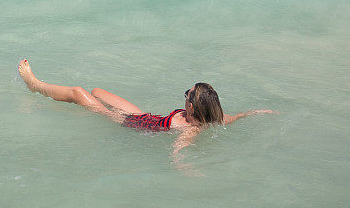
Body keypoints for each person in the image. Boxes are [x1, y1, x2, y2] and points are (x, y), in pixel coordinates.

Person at [17, 59, 274, 166]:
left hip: (126, 122)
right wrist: (256, 112)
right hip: (143, 115)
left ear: (192, 107)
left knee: (78, 93)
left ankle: (34, 84)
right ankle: (75, 109)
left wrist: (184, 165)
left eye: (187, 93)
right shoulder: (212, 118)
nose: (184, 95)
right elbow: (234, 117)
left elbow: (180, 148)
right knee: (97, 91)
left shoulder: (188, 129)